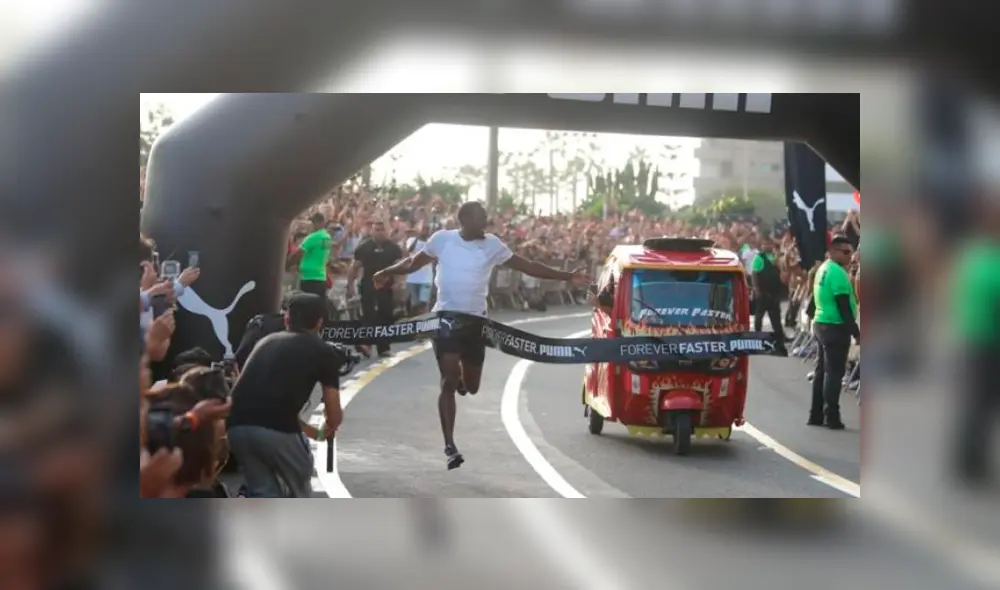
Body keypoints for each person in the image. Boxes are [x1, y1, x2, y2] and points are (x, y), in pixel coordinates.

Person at [372, 201, 588, 469]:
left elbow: (528, 266)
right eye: (481, 219)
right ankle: (450, 444)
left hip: (476, 322)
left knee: (471, 386)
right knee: (448, 381)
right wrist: (386, 272)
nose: (486, 224)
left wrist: (568, 276)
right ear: (464, 220)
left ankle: (463, 379)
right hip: (446, 318)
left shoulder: (492, 245)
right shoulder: (442, 240)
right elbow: (412, 263)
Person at [225, 293, 343, 497]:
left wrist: (314, 433)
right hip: (277, 430)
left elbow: (263, 400)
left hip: (236, 426)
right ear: (320, 322)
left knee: (262, 491)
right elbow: (333, 415)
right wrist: (328, 429)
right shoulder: (323, 351)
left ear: (287, 319)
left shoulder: (266, 342)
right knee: (299, 483)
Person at [807, 235, 860, 429]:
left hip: (821, 323)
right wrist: (855, 331)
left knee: (821, 371)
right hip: (834, 326)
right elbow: (843, 305)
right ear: (834, 252)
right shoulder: (837, 272)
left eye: (851, 252)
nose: (849, 256)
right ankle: (832, 417)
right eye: (846, 252)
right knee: (833, 373)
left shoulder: (824, 268)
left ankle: (816, 414)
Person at [347, 220, 404, 358]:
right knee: (368, 315)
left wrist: (399, 284)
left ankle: (383, 347)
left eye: (382, 229)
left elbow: (400, 267)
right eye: (376, 229)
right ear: (372, 231)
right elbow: (355, 267)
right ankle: (367, 344)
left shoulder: (394, 248)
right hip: (368, 285)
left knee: (385, 315)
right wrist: (349, 286)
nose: (379, 232)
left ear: (387, 231)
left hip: (387, 286)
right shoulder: (364, 247)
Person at [750, 237, 788, 355]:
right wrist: (756, 289)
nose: (767, 246)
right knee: (759, 316)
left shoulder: (775, 257)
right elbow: (754, 274)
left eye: (769, 244)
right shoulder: (759, 258)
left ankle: (779, 339)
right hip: (763, 292)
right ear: (761, 246)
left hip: (775, 293)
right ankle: (757, 338)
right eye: (764, 244)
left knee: (776, 318)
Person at [293, 213, 333, 301]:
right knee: (317, 308)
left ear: (319, 223)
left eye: (312, 222)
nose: (310, 225)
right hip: (321, 277)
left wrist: (286, 264)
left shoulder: (313, 237)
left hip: (309, 279)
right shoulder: (327, 237)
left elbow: (297, 254)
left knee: (307, 308)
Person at [404, 226, 434, 316]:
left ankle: (425, 325)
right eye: (423, 229)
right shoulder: (411, 240)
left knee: (424, 304)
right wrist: (417, 237)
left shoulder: (431, 242)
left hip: (426, 280)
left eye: (427, 229)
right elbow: (409, 250)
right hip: (412, 279)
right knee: (415, 305)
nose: (425, 231)